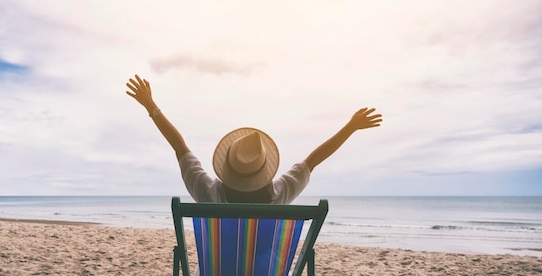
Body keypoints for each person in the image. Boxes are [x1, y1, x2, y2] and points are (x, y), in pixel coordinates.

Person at [126, 74, 382, 204]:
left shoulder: (209, 194)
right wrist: (351, 127)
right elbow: (313, 160)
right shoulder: (279, 196)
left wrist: (151, 105)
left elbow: (179, 147)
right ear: (264, 170)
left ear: (227, 168)